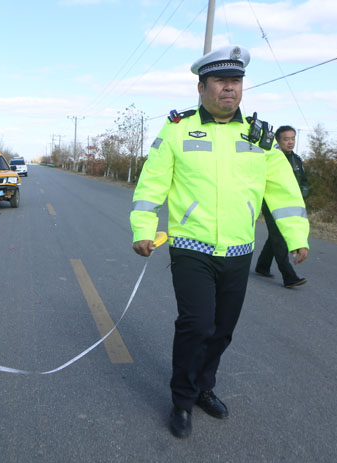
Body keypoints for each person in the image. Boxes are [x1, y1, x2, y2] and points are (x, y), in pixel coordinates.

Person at [130, 45, 309, 439]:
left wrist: (296, 236)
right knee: (196, 324)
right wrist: (143, 228)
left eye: (236, 82)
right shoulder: (178, 129)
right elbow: (152, 182)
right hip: (191, 247)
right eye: (220, 82)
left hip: (238, 250)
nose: (229, 89)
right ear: (202, 86)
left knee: (222, 329)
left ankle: (203, 387)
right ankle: (181, 400)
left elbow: (282, 191)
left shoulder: (259, 137)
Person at [254, 125, 309, 287]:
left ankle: (262, 266)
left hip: (291, 205)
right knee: (280, 239)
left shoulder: (297, 160)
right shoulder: (271, 157)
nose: (290, 142)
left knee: (275, 236)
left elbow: (303, 181)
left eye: (292, 138)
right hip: (273, 204)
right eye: (286, 139)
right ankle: (289, 276)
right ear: (277, 141)